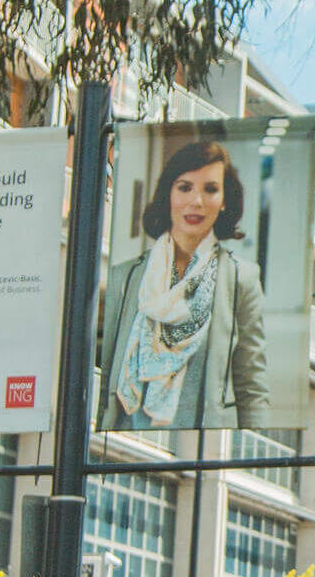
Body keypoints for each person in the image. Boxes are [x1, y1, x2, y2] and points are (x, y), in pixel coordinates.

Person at [98, 137, 268, 432]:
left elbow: (252, 385)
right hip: (127, 437)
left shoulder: (242, 279)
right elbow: (108, 367)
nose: (196, 201)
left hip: (197, 447)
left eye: (210, 189)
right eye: (185, 187)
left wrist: (253, 456)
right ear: (169, 194)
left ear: (225, 200)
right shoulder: (124, 277)